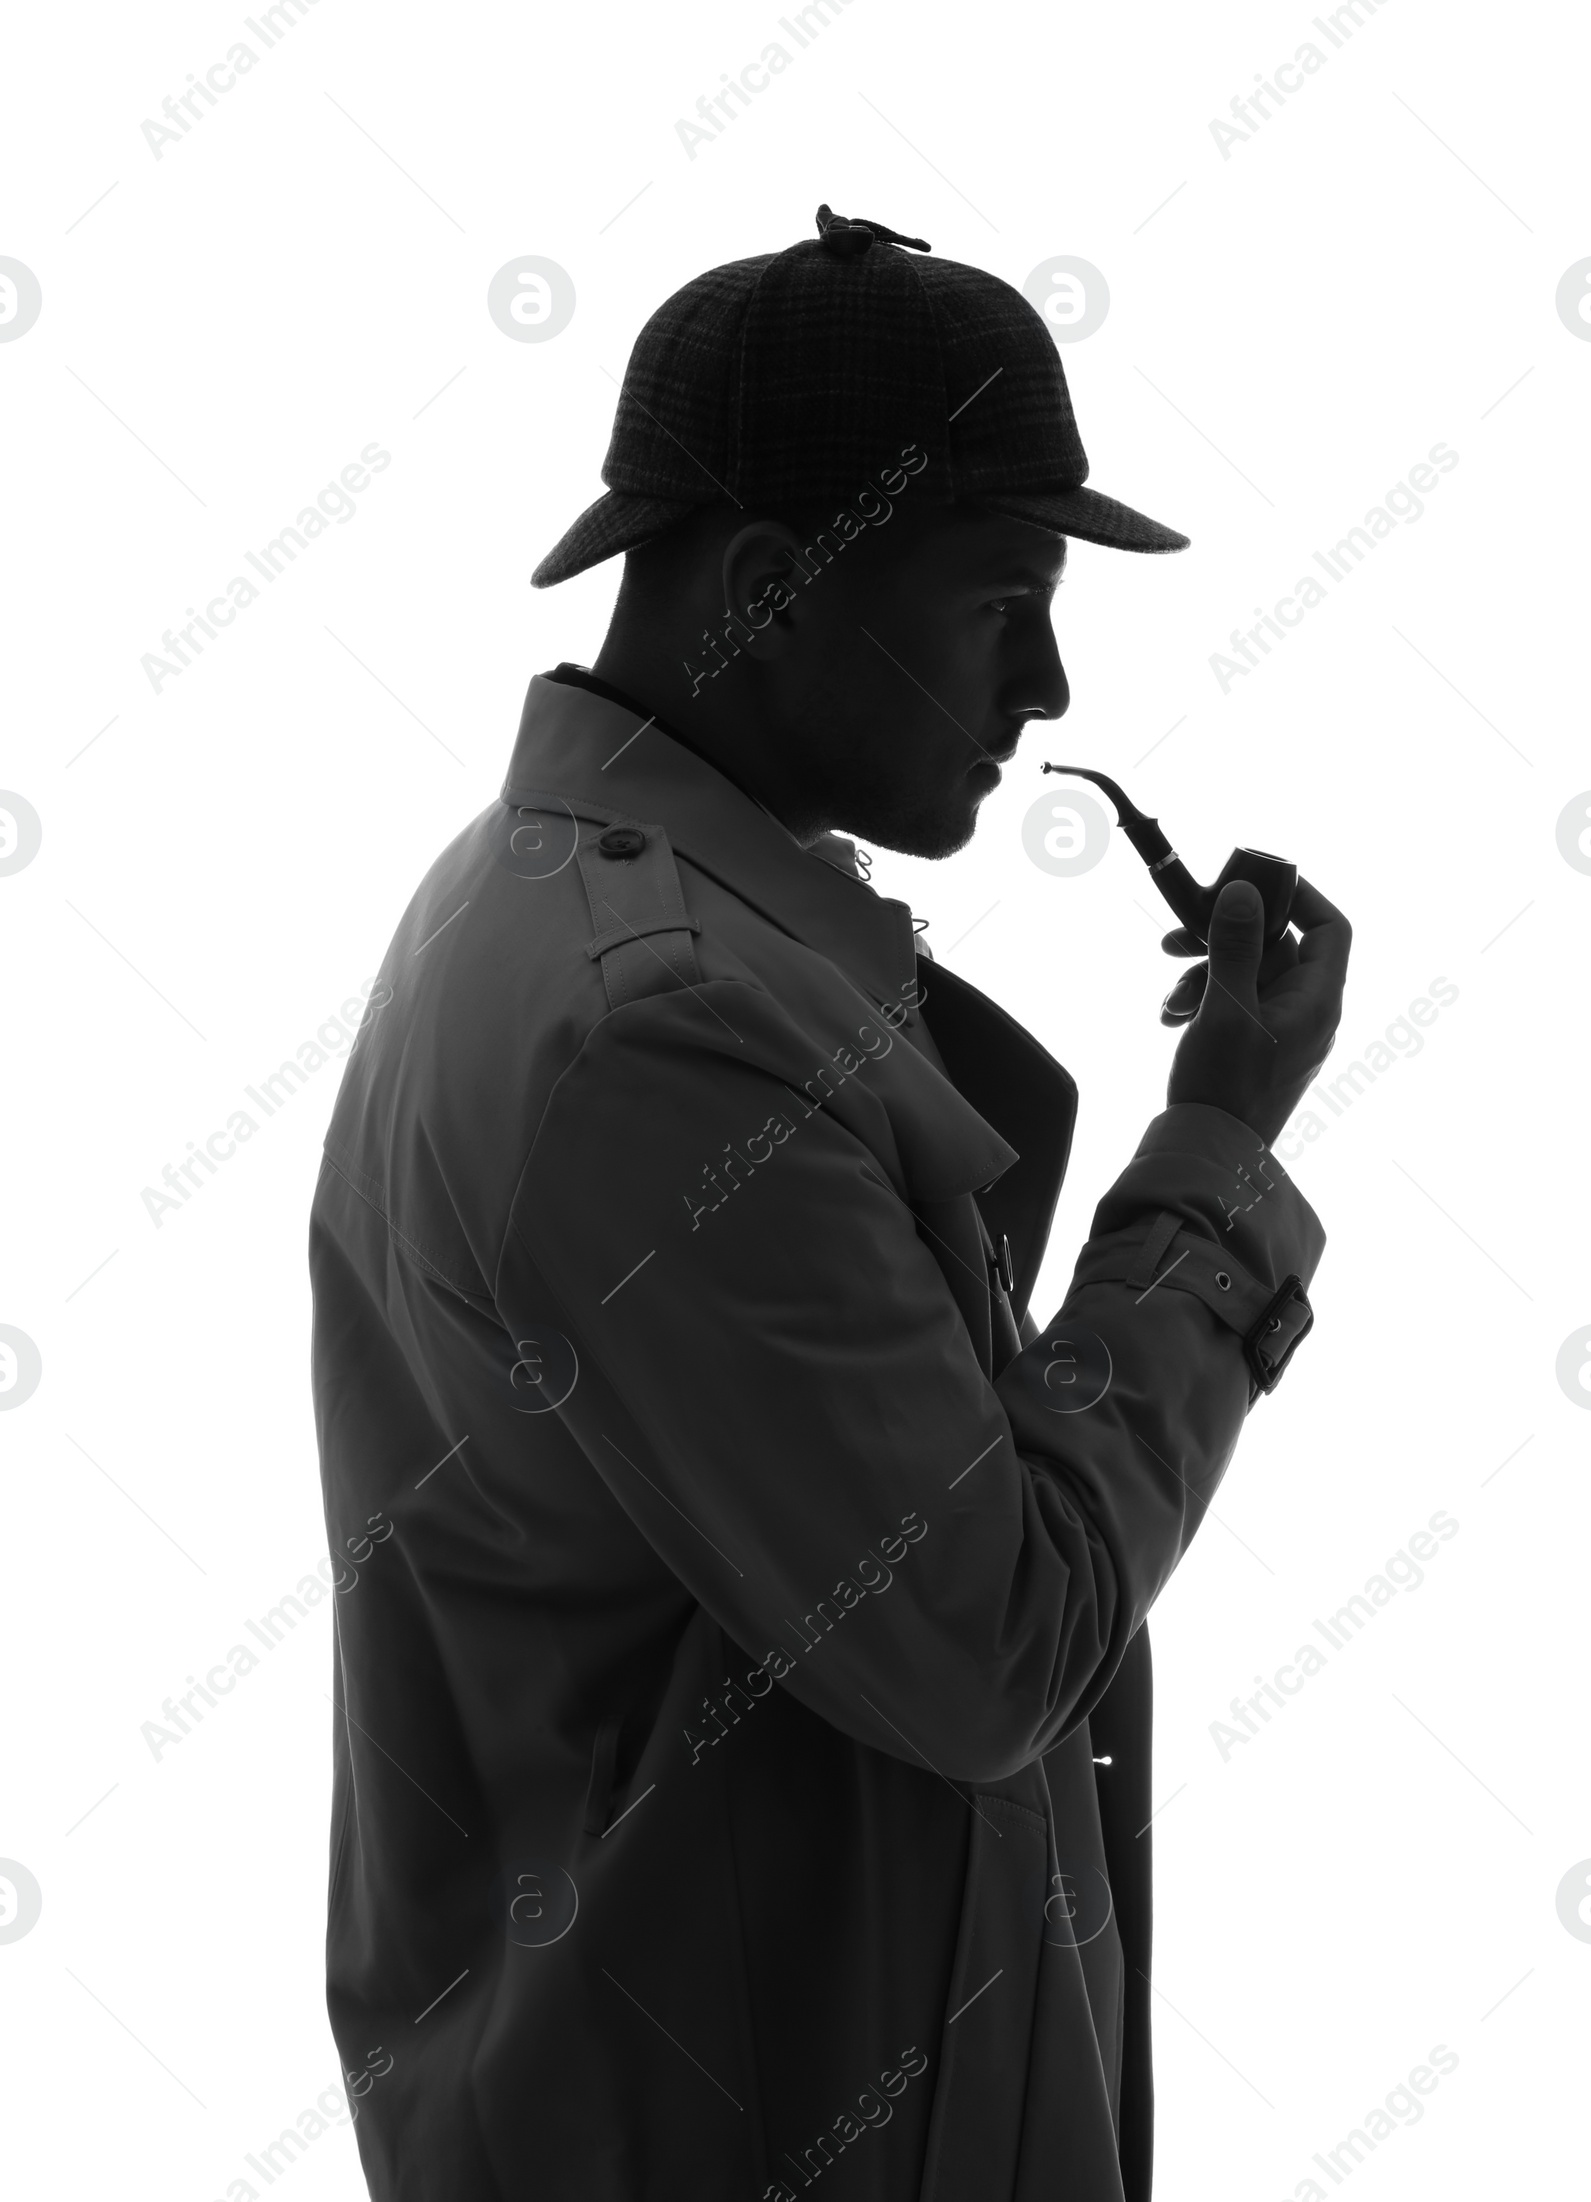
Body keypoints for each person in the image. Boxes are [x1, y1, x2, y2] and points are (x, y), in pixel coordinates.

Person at [309, 204, 1351, 2201]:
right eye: (997, 603)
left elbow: (870, 1475)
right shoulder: (663, 1036)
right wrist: (1214, 1147)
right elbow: (986, 1633)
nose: (1045, 684)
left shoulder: (592, 920)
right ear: (779, 590)